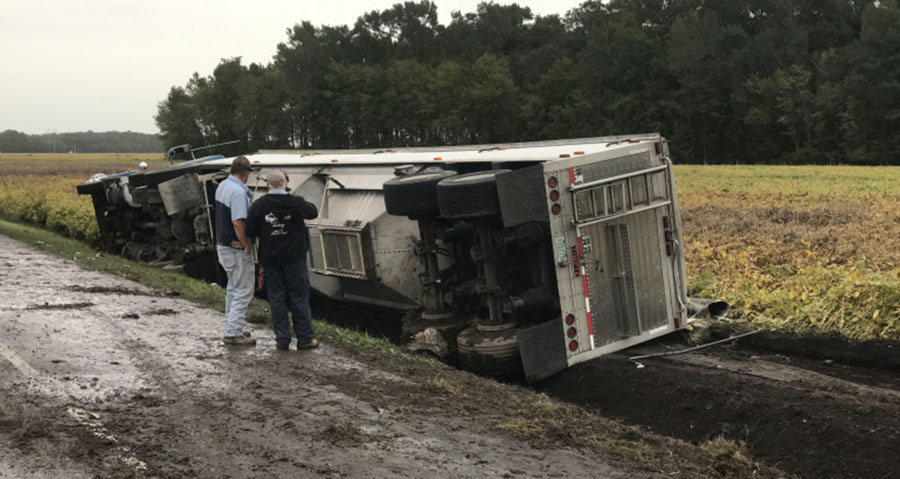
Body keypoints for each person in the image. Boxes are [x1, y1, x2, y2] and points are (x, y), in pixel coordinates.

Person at [246, 169, 320, 351]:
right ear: (286, 183)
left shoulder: (259, 205)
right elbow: (313, 212)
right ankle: (304, 339)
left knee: (277, 299)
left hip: (270, 259)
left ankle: (282, 339)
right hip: (294, 258)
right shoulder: (295, 202)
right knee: (299, 297)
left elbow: (250, 231)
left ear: (267, 185)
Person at [215, 156, 257, 346]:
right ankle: (233, 333)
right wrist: (247, 244)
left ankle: (233, 326)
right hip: (236, 248)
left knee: (233, 288)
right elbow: (238, 222)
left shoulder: (223, 185)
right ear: (246, 173)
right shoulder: (238, 193)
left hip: (223, 246)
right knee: (243, 290)